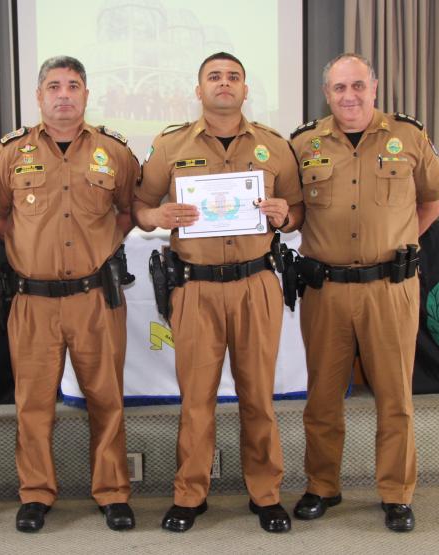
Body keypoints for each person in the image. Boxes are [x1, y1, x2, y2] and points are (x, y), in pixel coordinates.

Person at [134, 52, 304, 533]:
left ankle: (266, 494)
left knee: (258, 398)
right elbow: (142, 206)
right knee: (196, 399)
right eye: (215, 77)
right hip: (195, 289)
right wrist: (158, 218)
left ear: (245, 90)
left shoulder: (274, 146)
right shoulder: (169, 146)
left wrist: (282, 216)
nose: (224, 84)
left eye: (233, 77)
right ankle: (190, 494)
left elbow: (297, 212)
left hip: (256, 285)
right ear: (199, 88)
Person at [0, 56, 139, 533]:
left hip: (95, 299)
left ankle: (112, 493)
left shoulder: (115, 151)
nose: (63, 94)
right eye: (53, 86)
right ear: (39, 96)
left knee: (106, 397)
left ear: (86, 95)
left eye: (73, 86)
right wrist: (28, 248)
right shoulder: (10, 151)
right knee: (34, 403)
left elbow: (129, 210)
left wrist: (101, 245)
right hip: (33, 300)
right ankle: (36, 494)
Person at [288, 53, 439, 532]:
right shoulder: (303, 143)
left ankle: (397, 492)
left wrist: (400, 243)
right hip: (326, 290)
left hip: (390, 287)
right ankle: (322, 485)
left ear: (374, 87)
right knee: (322, 396)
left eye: (358, 85)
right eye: (339, 88)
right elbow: (295, 211)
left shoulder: (409, 136)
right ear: (327, 94)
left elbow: (434, 200)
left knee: (395, 395)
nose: (349, 96)